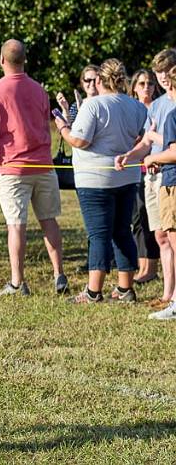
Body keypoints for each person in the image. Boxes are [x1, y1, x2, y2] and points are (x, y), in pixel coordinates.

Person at [0, 39, 68, 297]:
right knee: (49, 220)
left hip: (13, 168)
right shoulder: (40, 90)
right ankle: (58, 273)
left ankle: (17, 282)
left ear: (2, 60)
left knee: (16, 226)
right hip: (43, 165)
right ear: (24, 59)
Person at [57, 59, 145, 304]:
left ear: (99, 80)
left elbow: (80, 141)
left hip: (95, 178)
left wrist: (63, 128)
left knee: (98, 234)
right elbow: (139, 137)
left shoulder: (92, 105)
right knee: (122, 231)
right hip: (127, 175)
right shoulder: (137, 106)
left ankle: (93, 291)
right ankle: (125, 288)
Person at [120, 49, 176, 309]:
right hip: (153, 178)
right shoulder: (158, 105)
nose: (163, 78)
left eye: (167, 72)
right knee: (161, 237)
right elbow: (145, 142)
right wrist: (129, 155)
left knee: (173, 236)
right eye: (158, 73)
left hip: (170, 174)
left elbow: (166, 144)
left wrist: (156, 146)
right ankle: (167, 293)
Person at [128, 69, 161, 285]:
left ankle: (152, 267)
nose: (146, 87)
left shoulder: (159, 108)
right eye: (141, 83)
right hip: (134, 170)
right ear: (134, 88)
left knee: (152, 220)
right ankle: (143, 266)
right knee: (137, 219)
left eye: (149, 83)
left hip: (155, 171)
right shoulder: (131, 109)